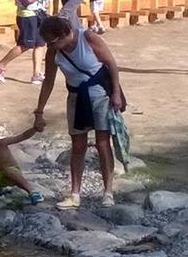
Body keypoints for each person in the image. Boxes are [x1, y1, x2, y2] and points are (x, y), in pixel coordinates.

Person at [33, 16, 125, 210]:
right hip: (75, 98)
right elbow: (48, 81)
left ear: (63, 35)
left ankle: (108, 192)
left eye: (53, 41)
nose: (51, 46)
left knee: (102, 143)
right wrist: (39, 111)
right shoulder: (54, 52)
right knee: (78, 145)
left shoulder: (89, 38)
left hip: (100, 96)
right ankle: (75, 193)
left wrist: (116, 93)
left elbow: (111, 64)